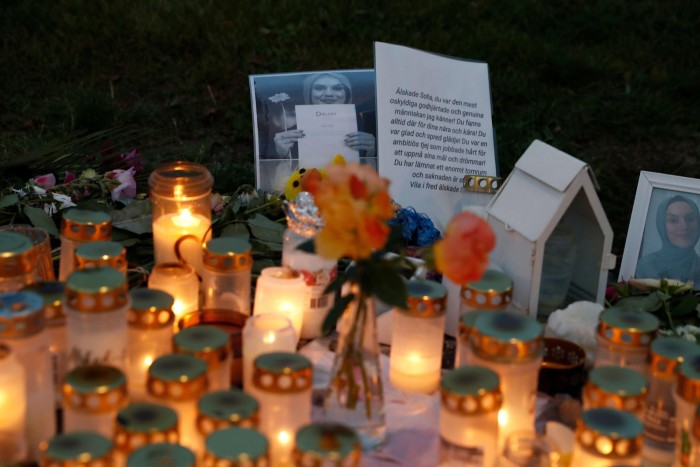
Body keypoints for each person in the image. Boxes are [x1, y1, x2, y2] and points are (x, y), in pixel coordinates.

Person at [272, 72, 376, 159]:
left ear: (347, 94)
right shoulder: (286, 137)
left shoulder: (370, 128)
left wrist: (372, 152)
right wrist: (283, 154)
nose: (329, 94)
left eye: (337, 88)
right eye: (319, 88)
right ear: (308, 93)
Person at [636, 194, 700, 283]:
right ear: (661, 225)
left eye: (690, 219)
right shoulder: (646, 266)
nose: (684, 226)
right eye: (673, 220)